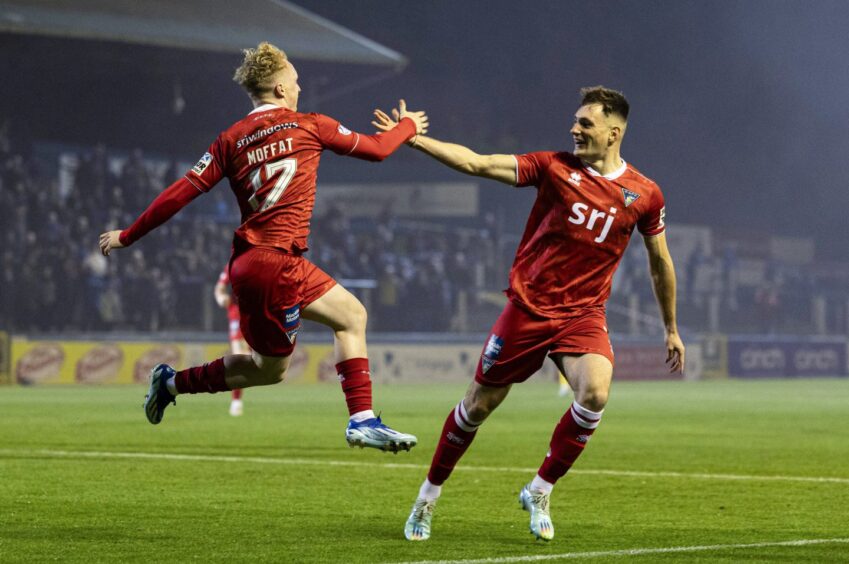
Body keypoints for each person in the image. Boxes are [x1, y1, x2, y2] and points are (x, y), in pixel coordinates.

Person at [373, 86, 685, 540]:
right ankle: (427, 498)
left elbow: (661, 261)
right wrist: (415, 139)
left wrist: (671, 327)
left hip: (583, 315)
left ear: (614, 132)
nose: (574, 129)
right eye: (575, 122)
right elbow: (477, 163)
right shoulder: (553, 168)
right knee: (477, 406)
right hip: (529, 309)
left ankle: (539, 489)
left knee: (595, 393)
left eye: (586, 124)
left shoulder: (644, 193)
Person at [99, 42, 428, 453]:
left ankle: (170, 382)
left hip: (257, 263)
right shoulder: (310, 124)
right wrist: (408, 127)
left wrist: (128, 235)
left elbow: (180, 193)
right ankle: (358, 421)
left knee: (347, 317)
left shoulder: (230, 139)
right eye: (294, 79)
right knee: (270, 369)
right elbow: (378, 149)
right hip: (276, 266)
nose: (299, 85)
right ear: (277, 89)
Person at [214, 264, 248, 416]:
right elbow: (220, 287)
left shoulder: (266, 260)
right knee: (240, 358)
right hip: (238, 315)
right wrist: (221, 297)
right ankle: (236, 400)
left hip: (262, 314)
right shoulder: (233, 265)